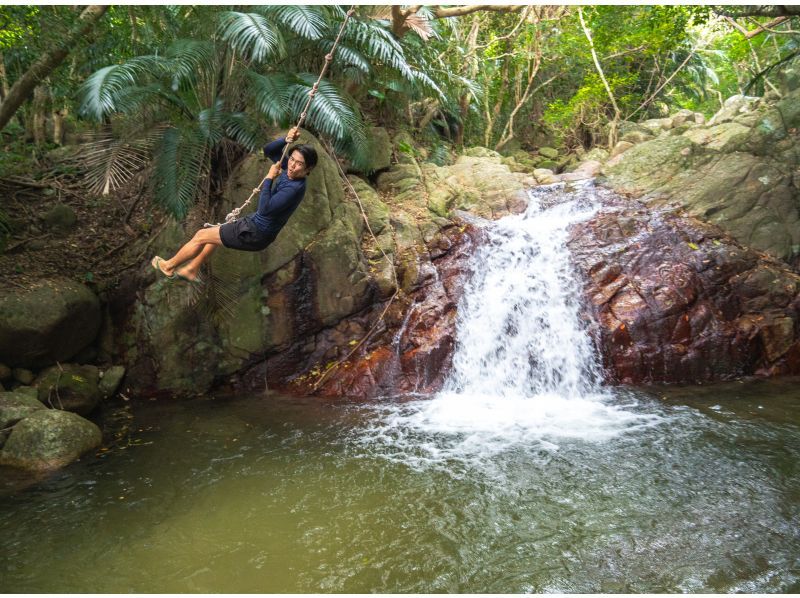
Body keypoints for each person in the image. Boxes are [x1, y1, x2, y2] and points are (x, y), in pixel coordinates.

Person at [151, 127, 317, 282]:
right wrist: (286, 139)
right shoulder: (290, 172)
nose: (292, 165)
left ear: (308, 169)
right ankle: (192, 269)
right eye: (292, 159)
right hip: (255, 227)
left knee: (201, 235)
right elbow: (269, 151)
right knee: (213, 235)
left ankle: (168, 266)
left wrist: (269, 178)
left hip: (255, 232)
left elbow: (264, 209)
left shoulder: (294, 188)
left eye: (299, 163)